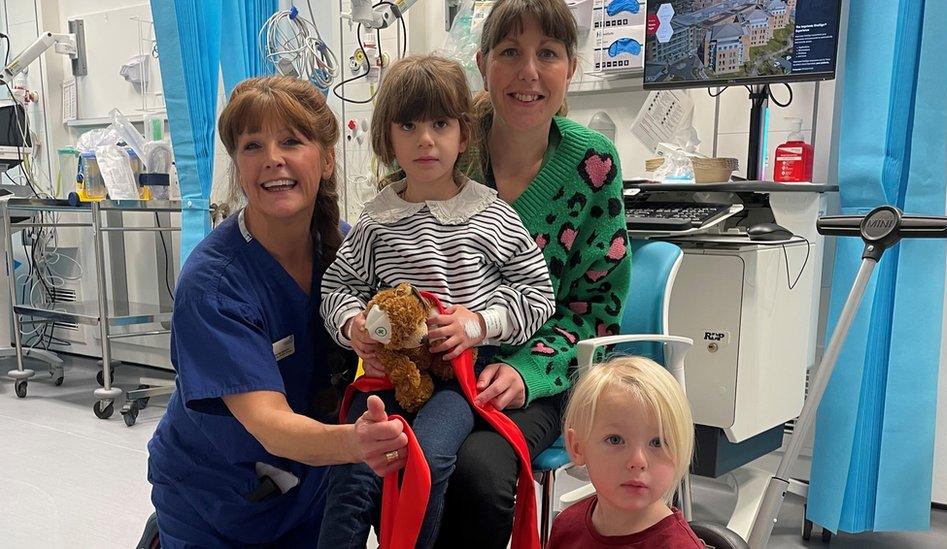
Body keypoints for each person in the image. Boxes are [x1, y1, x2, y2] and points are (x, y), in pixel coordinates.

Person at [146, 75, 409, 548]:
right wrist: (358, 443)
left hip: (308, 488)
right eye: (252, 146)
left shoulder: (347, 252)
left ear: (327, 159)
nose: (272, 158)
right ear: (237, 165)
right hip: (215, 502)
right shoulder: (214, 284)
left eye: (291, 141)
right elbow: (269, 424)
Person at [317, 54, 556, 549]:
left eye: (441, 124)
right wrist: (351, 324)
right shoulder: (375, 221)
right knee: (355, 466)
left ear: (462, 137)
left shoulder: (492, 214)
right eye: (409, 125)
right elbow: (336, 287)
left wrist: (479, 325)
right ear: (387, 140)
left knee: (427, 456)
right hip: (387, 375)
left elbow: (538, 294)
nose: (426, 139)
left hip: (456, 381)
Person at [436, 0, 632, 545]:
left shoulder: (594, 166)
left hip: (541, 371)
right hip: (442, 366)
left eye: (547, 53)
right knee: (404, 460)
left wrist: (528, 373)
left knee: (481, 471)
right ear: (482, 63)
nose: (528, 72)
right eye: (509, 53)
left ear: (570, 68)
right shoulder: (446, 148)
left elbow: (594, 312)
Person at [549, 356, 703, 548]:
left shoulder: (678, 546)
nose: (638, 461)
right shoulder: (566, 525)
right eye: (615, 440)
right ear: (577, 447)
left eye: (657, 442)